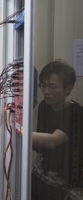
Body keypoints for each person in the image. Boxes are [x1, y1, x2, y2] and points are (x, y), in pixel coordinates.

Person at [31, 59, 83, 200]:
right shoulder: (43, 106)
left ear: (68, 88)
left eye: (52, 86)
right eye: (43, 85)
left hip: (65, 184)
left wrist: (15, 132)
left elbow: (52, 140)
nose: (46, 91)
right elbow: (40, 143)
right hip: (41, 177)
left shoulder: (77, 113)